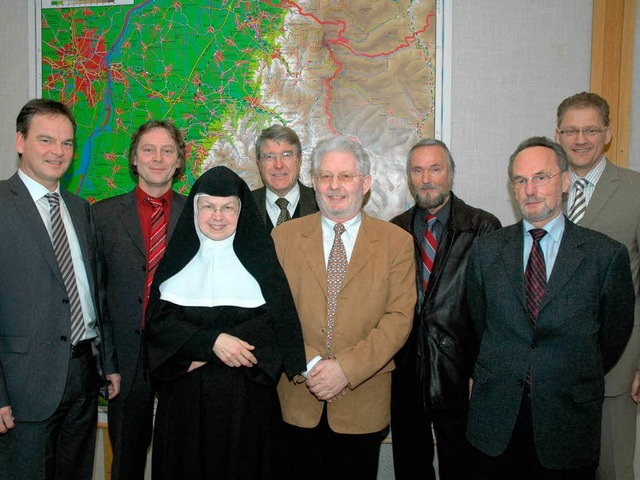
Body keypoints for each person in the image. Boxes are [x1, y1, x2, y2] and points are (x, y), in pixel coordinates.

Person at [465, 136, 635, 479]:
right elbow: (477, 324)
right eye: (520, 180)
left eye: (541, 177)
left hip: (567, 418)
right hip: (497, 419)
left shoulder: (605, 255)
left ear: (565, 182)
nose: (531, 189)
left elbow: (613, 335)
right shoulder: (486, 251)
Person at [145, 165, 306, 479]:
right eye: (208, 207)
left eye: (227, 208)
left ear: (240, 212)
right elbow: (158, 329)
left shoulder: (263, 265)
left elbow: (276, 328)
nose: (217, 216)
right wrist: (213, 343)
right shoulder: (175, 265)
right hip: (185, 409)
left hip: (247, 407)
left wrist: (196, 349)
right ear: (195, 209)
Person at [272, 135, 416, 480]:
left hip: (361, 403)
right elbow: (274, 314)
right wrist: (310, 363)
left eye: (346, 176)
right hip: (296, 400)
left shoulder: (396, 243)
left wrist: (345, 370)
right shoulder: (284, 238)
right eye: (325, 176)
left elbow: (398, 320)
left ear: (365, 183)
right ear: (314, 182)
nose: (335, 186)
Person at [0, 98, 118, 479]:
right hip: (23, 389)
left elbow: (93, 294)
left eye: (66, 143)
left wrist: (107, 365)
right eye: (46, 140)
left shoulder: (80, 208)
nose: (58, 152)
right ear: (20, 142)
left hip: (83, 378)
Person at [389, 138, 501, 480]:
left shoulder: (484, 228)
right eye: (418, 170)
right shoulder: (395, 230)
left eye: (435, 169)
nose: (426, 179)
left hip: (460, 374)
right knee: (410, 466)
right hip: (406, 374)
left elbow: (496, 312)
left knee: (462, 467)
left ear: (450, 174)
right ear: (409, 177)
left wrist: (480, 372)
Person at [94, 119, 187, 479]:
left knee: (178, 461)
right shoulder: (101, 215)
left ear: (179, 161)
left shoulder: (197, 214)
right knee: (126, 464)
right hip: (125, 364)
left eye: (168, 150)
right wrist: (108, 362)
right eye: (148, 149)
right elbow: (98, 295)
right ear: (134, 158)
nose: (158, 158)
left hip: (180, 360)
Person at [555, 91, 640, 480]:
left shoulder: (635, 190)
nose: (581, 139)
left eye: (590, 129)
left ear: (607, 133)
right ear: (558, 135)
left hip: (616, 365)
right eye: (571, 130)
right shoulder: (541, 189)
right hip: (552, 371)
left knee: (613, 471)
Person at [252, 124, 318, 229]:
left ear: (300, 160)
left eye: (286, 155)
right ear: (259, 164)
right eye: (269, 156)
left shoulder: (321, 203)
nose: (278, 165)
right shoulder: (244, 205)